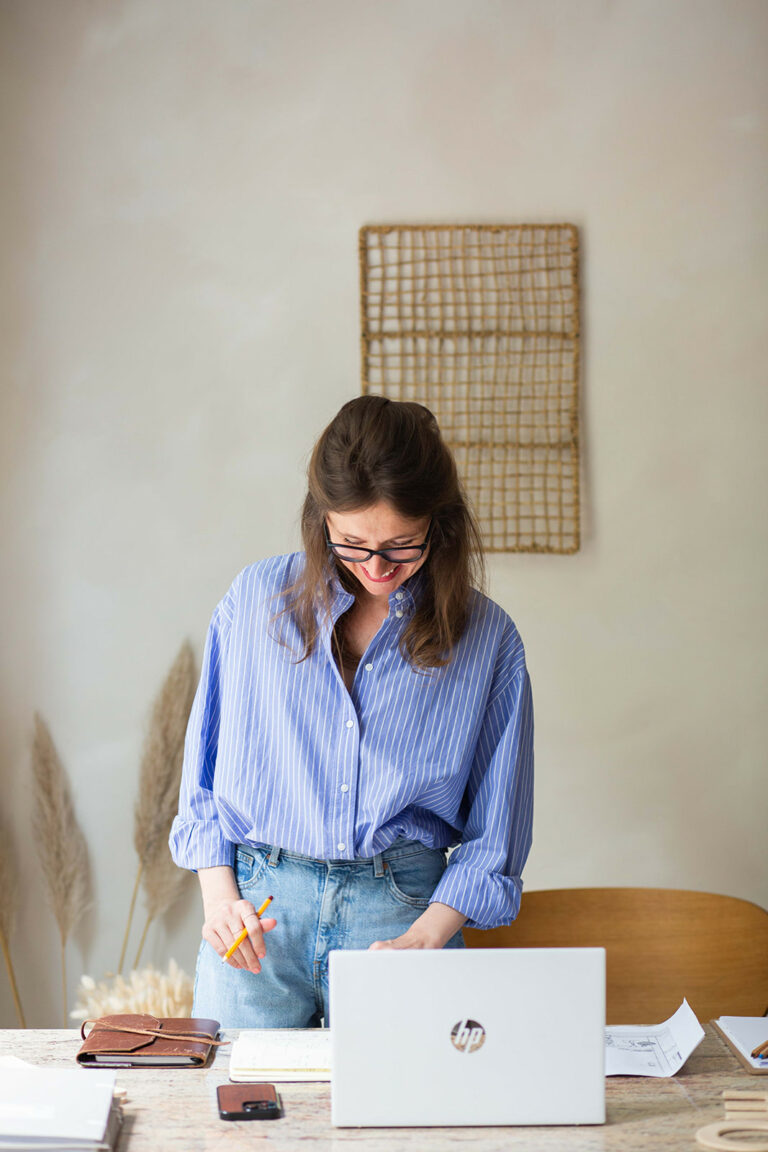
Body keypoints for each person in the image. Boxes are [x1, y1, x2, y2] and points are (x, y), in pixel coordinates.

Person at [169, 395, 534, 1028]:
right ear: (321, 522)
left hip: (403, 915)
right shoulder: (255, 602)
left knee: (416, 1121)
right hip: (259, 914)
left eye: (401, 545)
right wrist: (220, 900)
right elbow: (204, 777)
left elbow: (495, 833)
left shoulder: (489, 639)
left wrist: (427, 938)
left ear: (438, 526)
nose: (377, 567)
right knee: (243, 1120)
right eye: (351, 545)